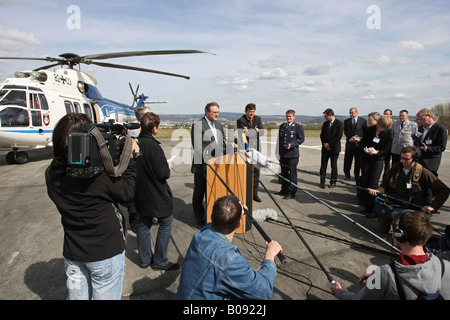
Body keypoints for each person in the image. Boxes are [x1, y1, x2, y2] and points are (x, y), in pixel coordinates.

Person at [45, 113, 139, 300]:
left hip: (73, 252)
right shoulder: (98, 178)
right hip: (105, 253)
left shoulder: (52, 174)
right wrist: (130, 160)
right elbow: (127, 195)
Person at [177, 195, 283, 300]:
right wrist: (269, 256)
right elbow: (264, 291)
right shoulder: (229, 260)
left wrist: (236, 209)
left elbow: (220, 216)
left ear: (213, 216)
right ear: (239, 224)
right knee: (276, 298)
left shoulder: (201, 234)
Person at [330, 210, 450, 300]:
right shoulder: (443, 265)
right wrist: (379, 276)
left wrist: (339, 292)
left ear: (399, 234)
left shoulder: (384, 274)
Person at [134, 112, 179, 271]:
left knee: (144, 223)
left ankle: (145, 259)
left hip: (140, 192)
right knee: (166, 222)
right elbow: (163, 174)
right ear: (154, 128)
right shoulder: (154, 146)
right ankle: (160, 260)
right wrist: (168, 168)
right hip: (156, 193)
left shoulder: (135, 142)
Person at [367, 146, 449, 231]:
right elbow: (384, 185)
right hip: (392, 202)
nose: (403, 161)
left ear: (414, 158)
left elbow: (444, 190)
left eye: (406, 159)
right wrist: (378, 191)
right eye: (401, 158)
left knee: (405, 234)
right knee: (382, 229)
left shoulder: (422, 172)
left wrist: (433, 206)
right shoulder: (396, 167)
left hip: (411, 206)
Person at [191, 102, 226, 226]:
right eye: (214, 112)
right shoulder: (198, 125)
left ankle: (211, 216)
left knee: (211, 192)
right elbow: (198, 147)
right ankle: (199, 217)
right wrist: (211, 160)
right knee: (199, 193)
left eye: (218, 112)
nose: (217, 114)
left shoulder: (218, 125)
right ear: (207, 112)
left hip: (217, 166)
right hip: (202, 166)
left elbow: (222, 143)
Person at [359, 115, 392, 217]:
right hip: (366, 158)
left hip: (377, 159)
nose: (382, 129)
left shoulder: (388, 133)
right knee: (365, 181)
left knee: (373, 183)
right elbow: (363, 142)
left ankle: (375, 209)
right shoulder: (370, 130)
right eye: (381, 127)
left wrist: (377, 152)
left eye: (384, 128)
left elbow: (386, 149)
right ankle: (367, 207)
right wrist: (365, 148)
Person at [127, 106, 151, 231]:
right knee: (134, 197)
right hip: (135, 168)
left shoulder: (146, 129)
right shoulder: (133, 132)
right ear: (142, 117)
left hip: (145, 169)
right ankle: (135, 222)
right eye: (149, 115)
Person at [236, 103, 264, 202]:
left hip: (256, 150)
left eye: (253, 111)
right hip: (246, 151)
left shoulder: (258, 119)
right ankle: (244, 193)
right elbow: (242, 135)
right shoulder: (241, 121)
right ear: (246, 111)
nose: (252, 113)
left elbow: (262, 132)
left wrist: (249, 131)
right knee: (246, 173)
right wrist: (255, 130)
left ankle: (254, 194)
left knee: (256, 173)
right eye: (250, 111)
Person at [414, 108, 448, 177]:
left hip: (431, 162)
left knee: (430, 183)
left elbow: (441, 147)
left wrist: (426, 148)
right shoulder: (421, 128)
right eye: (419, 120)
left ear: (429, 116)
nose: (421, 121)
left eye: (422, 119)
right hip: (419, 160)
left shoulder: (440, 129)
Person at [319, 108, 344, 188]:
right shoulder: (325, 124)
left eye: (326, 116)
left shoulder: (339, 124)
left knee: (333, 165)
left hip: (334, 148)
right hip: (325, 148)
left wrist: (330, 145)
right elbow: (322, 135)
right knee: (323, 165)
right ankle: (322, 181)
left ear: (330, 115)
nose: (325, 118)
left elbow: (338, 136)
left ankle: (333, 181)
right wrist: (325, 144)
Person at [343, 107, 367, 181]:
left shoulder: (363, 121)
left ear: (356, 113)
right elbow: (346, 132)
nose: (351, 114)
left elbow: (365, 132)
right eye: (350, 113)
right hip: (350, 144)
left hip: (359, 145)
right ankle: (347, 175)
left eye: (352, 113)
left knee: (358, 162)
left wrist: (359, 140)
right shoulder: (346, 121)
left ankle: (356, 176)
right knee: (347, 161)